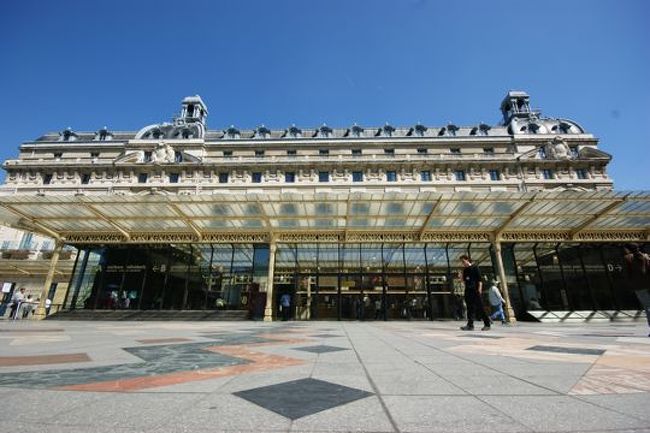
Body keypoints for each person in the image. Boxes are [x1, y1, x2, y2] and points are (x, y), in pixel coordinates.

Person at [623, 243, 650, 336]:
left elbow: (627, 274)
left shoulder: (628, 258)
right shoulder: (646, 256)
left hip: (639, 286)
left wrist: (629, 285)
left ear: (628, 249)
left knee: (648, 307)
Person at [459, 255, 491, 331]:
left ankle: (487, 324)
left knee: (480, 307)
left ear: (467, 260)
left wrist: (479, 289)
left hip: (475, 290)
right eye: (462, 262)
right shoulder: (465, 270)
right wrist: (461, 276)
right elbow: (464, 281)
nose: (463, 263)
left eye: (463, 261)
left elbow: (479, 279)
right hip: (468, 290)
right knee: (470, 308)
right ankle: (470, 325)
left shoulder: (475, 267)